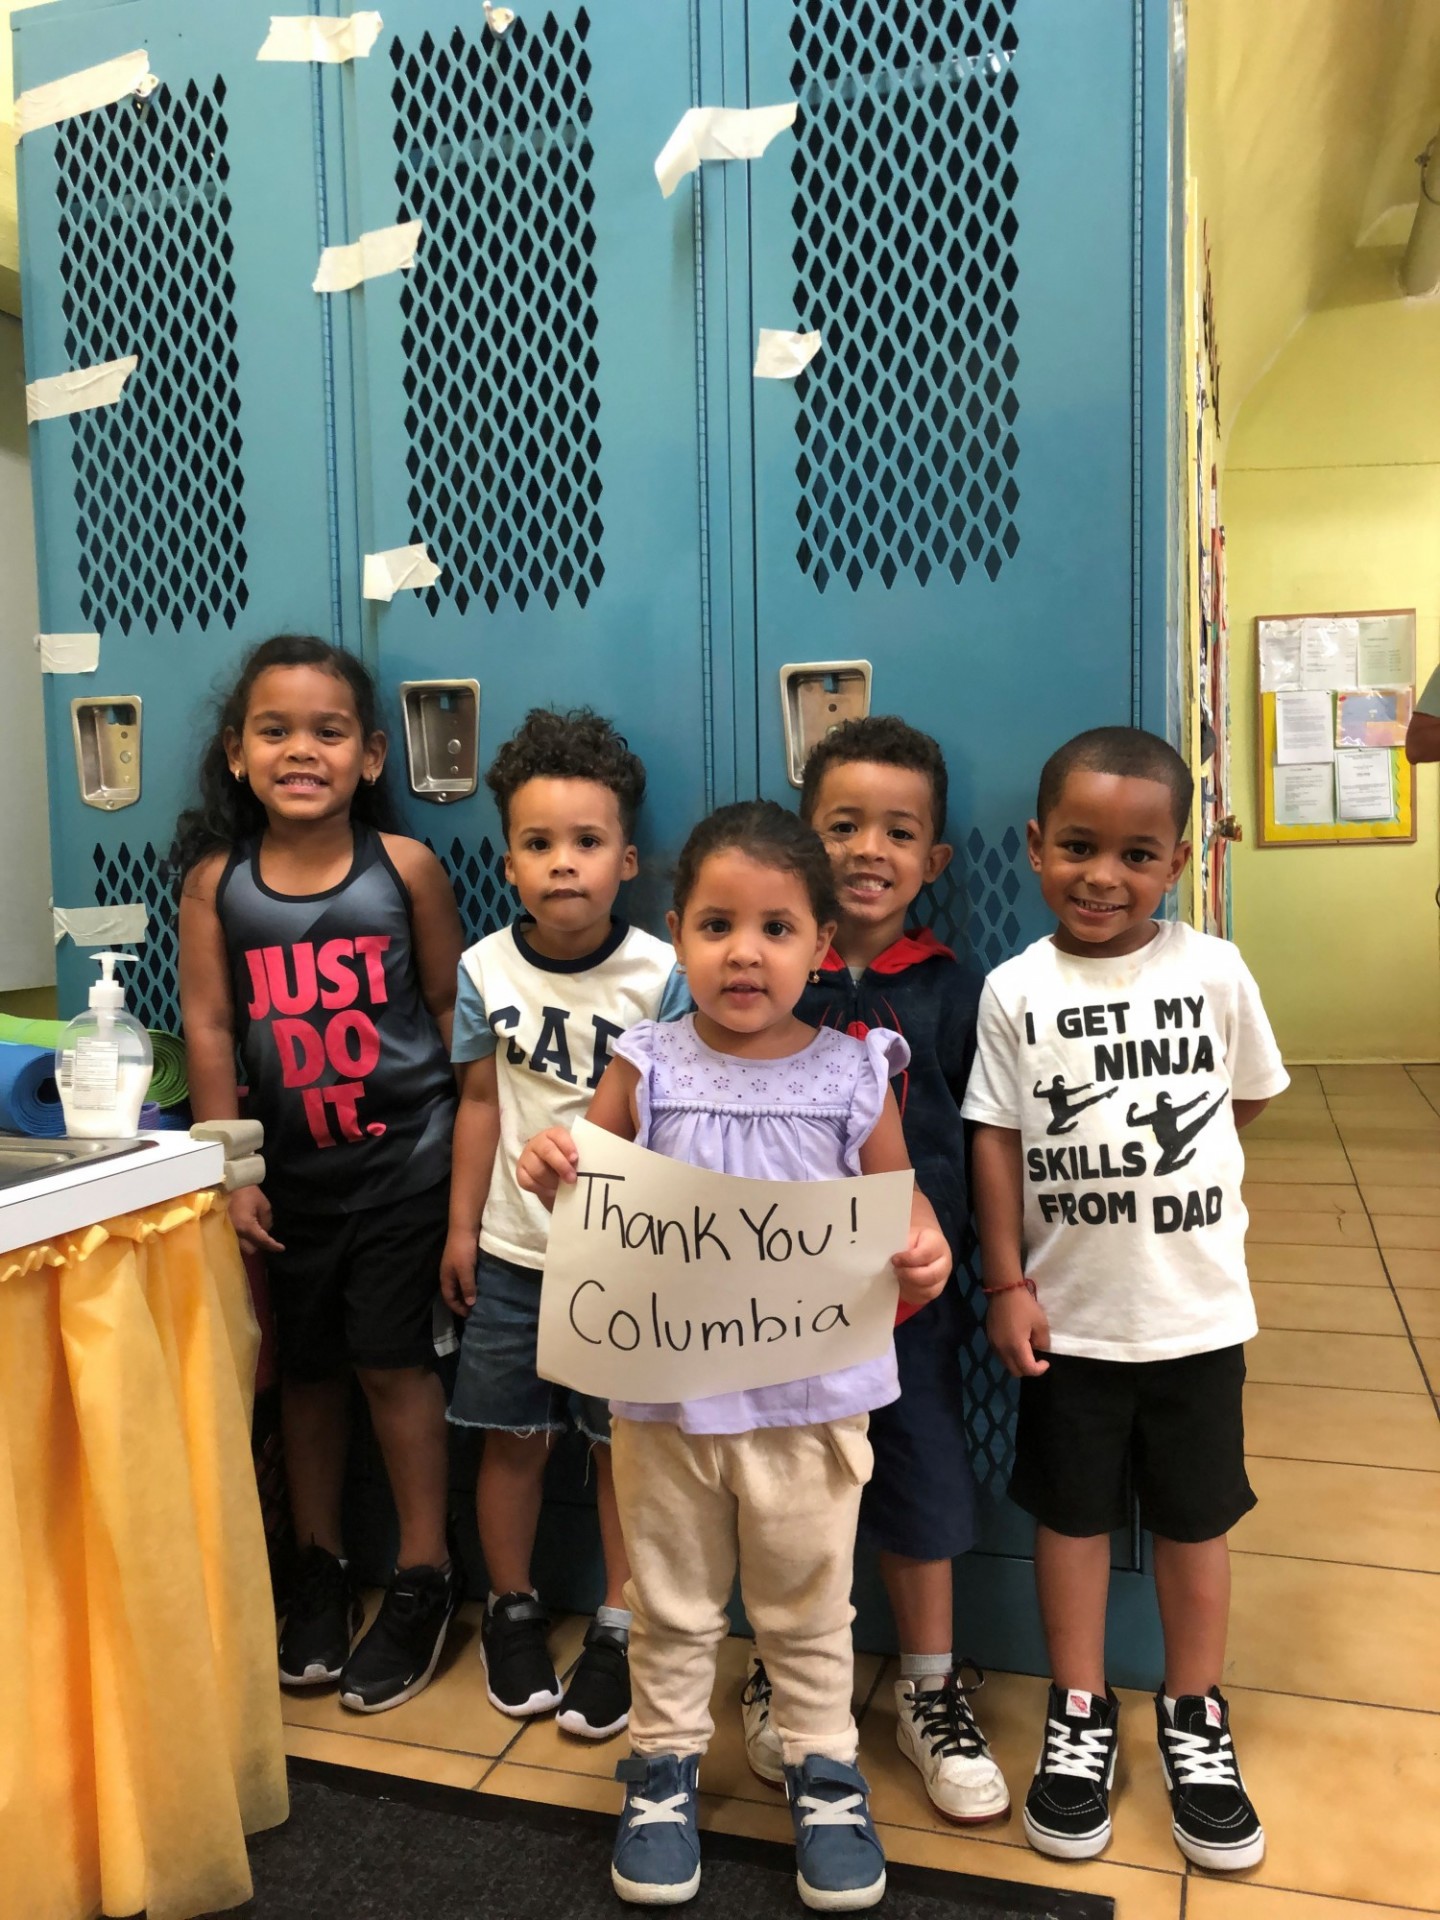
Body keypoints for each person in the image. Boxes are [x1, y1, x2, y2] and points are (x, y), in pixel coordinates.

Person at [520, 801, 952, 1912]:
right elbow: (590, 1184)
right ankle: (663, 1768)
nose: (744, 953)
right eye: (716, 925)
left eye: (775, 928)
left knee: (810, 1603)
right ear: (678, 934)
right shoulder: (645, 1062)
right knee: (667, 1598)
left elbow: (902, 1217)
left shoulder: (857, 1074)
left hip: (810, 1406)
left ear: (819, 944)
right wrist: (552, 1159)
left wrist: (923, 1255)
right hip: (665, 1402)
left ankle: (825, 1769)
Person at [962, 726, 1288, 1872]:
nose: (1105, 876)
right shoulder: (1015, 990)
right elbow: (994, 1141)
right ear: (1037, 845)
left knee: (1200, 1518)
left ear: (1179, 861)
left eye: (1138, 855)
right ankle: (1081, 1709)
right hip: (1072, 1317)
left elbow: (1238, 1102)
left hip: (1197, 1314)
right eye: (1081, 848)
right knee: (1073, 1515)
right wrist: (1006, 1281)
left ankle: (1195, 1710)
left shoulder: (1216, 971)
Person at [176, 634, 463, 1712]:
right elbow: (209, 1028)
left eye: (329, 731)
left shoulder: (407, 870)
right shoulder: (219, 885)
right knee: (304, 1375)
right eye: (277, 730)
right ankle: (320, 1568)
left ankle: (426, 1573)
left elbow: (447, 1017)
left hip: (405, 1171)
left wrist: (463, 1184)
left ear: (374, 755)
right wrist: (231, 1171)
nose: (304, 750)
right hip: (287, 1181)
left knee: (394, 1367)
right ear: (237, 754)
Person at [777, 715, 1008, 1825]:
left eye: (898, 831)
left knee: (917, 1473)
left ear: (935, 862)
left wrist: (967, 1260)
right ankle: (788, 1678)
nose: (869, 849)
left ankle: (929, 1686)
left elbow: (986, 1146)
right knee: (789, 1491)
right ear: (802, 839)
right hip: (780, 1305)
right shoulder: (766, 979)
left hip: (914, 1303)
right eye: (843, 824)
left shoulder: (962, 994)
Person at [441, 708, 687, 1740]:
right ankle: (512, 1607)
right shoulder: (484, 968)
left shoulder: (664, 975)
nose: (564, 866)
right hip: (511, 1255)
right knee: (513, 1442)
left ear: (627, 859)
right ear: (508, 861)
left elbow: (680, 1123)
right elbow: (480, 1104)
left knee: (618, 1450)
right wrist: (460, 1230)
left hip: (623, 1263)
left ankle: (621, 1626)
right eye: (539, 845)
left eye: (587, 843)